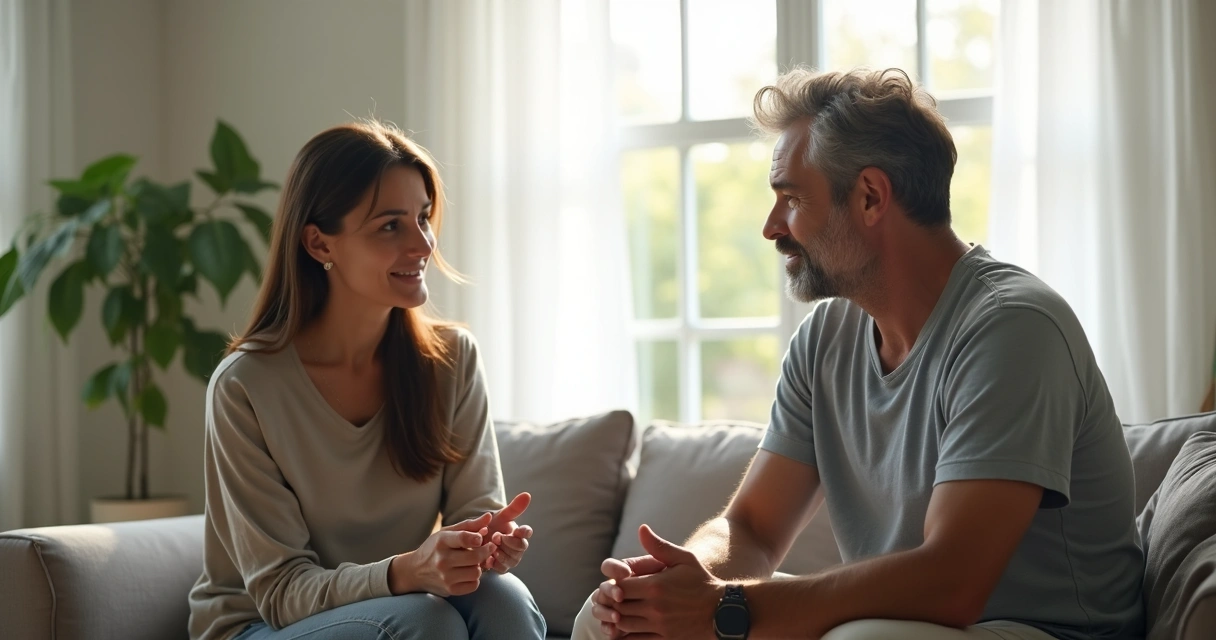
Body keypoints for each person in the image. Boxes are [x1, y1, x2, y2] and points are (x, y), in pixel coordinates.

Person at [573, 67, 1145, 640]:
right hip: (902, 625)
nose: (773, 227)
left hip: (1039, 630)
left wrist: (726, 609)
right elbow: (752, 528)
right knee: (610, 619)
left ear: (870, 196)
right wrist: (686, 580)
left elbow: (953, 582)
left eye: (792, 198)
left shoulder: (1012, 328)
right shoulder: (827, 336)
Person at [187, 120, 547, 640]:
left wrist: (488, 545)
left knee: (502, 598)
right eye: (389, 226)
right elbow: (283, 592)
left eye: (423, 218)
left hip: (395, 604)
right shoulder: (246, 386)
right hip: (261, 626)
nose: (422, 244)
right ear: (319, 243)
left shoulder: (452, 361)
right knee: (428, 620)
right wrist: (407, 572)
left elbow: (475, 515)